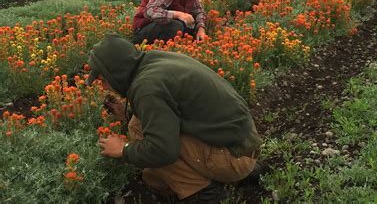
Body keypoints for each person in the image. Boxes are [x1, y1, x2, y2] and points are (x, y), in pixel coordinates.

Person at [87, 33, 262, 202]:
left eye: (103, 80)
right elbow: (175, 110)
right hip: (244, 142)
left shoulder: (147, 88)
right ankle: (238, 173)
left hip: (235, 155)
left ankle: (204, 193)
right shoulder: (154, 61)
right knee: (149, 165)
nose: (103, 87)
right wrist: (128, 113)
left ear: (115, 72)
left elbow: (163, 151)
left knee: (140, 134)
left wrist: (123, 149)